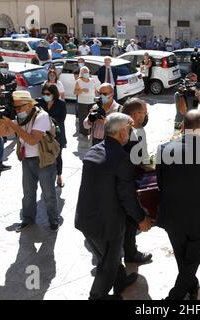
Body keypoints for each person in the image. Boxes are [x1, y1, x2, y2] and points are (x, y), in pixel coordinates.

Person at [75, 112, 151, 300]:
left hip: (86, 219)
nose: (130, 133)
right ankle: (97, 296)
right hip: (106, 225)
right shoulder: (121, 159)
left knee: (109, 257)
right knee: (108, 263)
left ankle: (120, 281)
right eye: (129, 129)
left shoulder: (94, 150)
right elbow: (127, 196)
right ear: (121, 132)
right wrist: (141, 218)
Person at [156, 110, 200, 300]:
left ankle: (191, 285)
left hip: (173, 214)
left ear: (183, 127)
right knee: (193, 257)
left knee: (182, 255)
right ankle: (175, 296)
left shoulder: (164, 149)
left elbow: (161, 183)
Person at [0, 91, 59, 232]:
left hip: (44, 159)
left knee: (48, 193)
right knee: (28, 192)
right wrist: (3, 119)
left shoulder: (42, 116)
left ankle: (54, 220)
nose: (17, 110)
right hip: (27, 159)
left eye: (19, 107)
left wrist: (12, 125)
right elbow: (2, 133)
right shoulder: (19, 115)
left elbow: (32, 140)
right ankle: (28, 219)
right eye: (15, 107)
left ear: (30, 104)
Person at [120, 98, 153, 264]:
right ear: (134, 114)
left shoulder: (121, 125)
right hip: (127, 182)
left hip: (120, 180)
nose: (145, 116)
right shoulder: (130, 134)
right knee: (131, 219)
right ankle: (131, 253)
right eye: (143, 113)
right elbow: (139, 162)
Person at [37, 83, 67, 188]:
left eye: (48, 93)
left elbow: (61, 119)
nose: (45, 95)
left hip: (57, 135)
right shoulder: (40, 103)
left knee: (58, 156)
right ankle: (46, 177)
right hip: (43, 135)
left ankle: (59, 176)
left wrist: (46, 118)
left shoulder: (61, 104)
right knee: (44, 155)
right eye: (43, 93)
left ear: (54, 94)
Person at [75, 66, 98, 137]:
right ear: (81, 73)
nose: (85, 73)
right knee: (83, 117)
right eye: (84, 72)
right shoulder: (78, 81)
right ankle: (83, 133)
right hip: (82, 102)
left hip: (92, 101)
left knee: (92, 117)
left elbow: (95, 90)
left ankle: (92, 131)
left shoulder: (92, 80)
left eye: (86, 72)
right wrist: (82, 90)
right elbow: (75, 92)